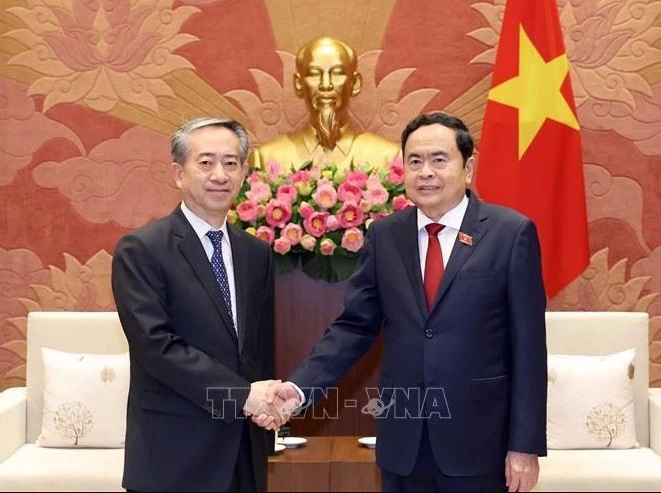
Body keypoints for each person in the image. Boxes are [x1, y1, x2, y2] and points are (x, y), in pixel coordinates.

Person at [266, 112, 548, 492]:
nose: (425, 172)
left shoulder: (510, 233)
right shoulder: (386, 236)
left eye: (438, 159)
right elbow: (354, 327)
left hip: (480, 440)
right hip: (404, 443)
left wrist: (524, 447)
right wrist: (300, 389)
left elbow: (529, 349)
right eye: (415, 161)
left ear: (468, 167)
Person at [112, 117, 283, 492]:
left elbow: (258, 347)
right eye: (205, 163)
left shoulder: (256, 253)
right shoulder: (142, 250)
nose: (219, 174)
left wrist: (268, 415)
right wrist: (243, 397)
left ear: (243, 173)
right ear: (178, 173)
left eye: (231, 163)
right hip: (174, 453)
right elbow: (156, 347)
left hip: (243, 450)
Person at [251, 36, 400, 172]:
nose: (326, 84)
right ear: (298, 84)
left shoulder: (389, 157)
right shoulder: (265, 159)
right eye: (314, 74)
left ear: (354, 83)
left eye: (337, 73)